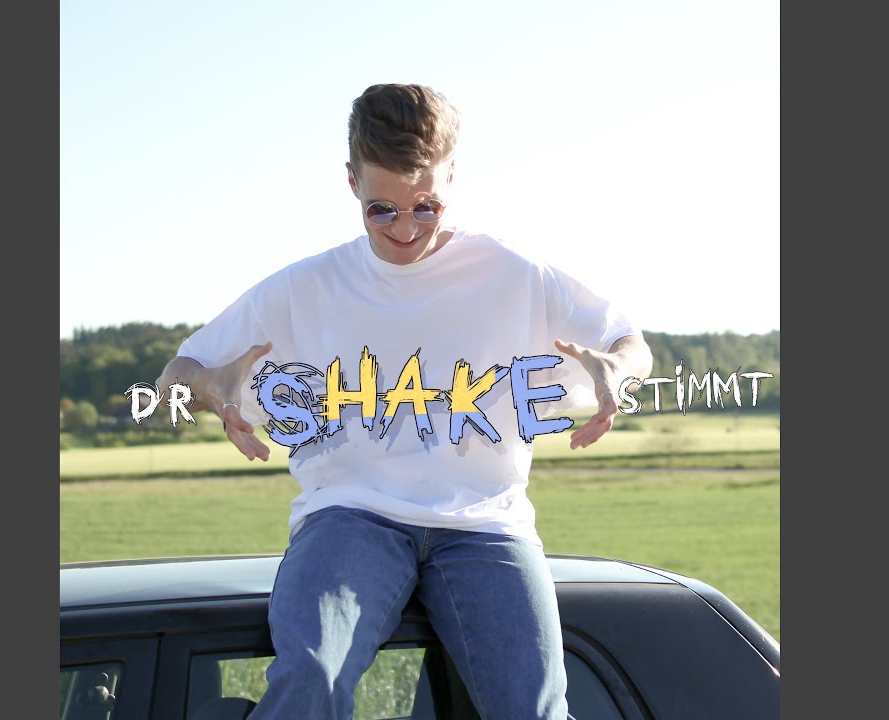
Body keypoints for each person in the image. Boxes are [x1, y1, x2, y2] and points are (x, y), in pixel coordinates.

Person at [156, 83, 653, 720]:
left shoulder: (515, 274)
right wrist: (212, 387)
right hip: (350, 516)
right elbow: (176, 374)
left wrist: (616, 370)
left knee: (534, 709)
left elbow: (629, 343)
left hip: (485, 523)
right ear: (351, 181)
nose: (405, 228)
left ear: (452, 176)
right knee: (309, 678)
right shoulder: (304, 287)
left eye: (426, 206)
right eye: (381, 210)